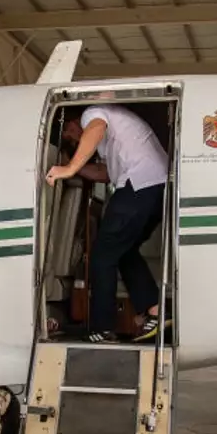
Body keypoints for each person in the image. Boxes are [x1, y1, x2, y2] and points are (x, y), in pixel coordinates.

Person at [45, 104, 170, 343]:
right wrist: (74, 166)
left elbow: (95, 128)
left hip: (138, 184)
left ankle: (102, 328)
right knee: (123, 251)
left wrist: (70, 168)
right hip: (154, 186)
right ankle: (156, 312)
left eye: (68, 133)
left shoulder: (92, 115)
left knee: (102, 256)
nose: (71, 138)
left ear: (73, 122)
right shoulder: (113, 136)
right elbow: (105, 174)